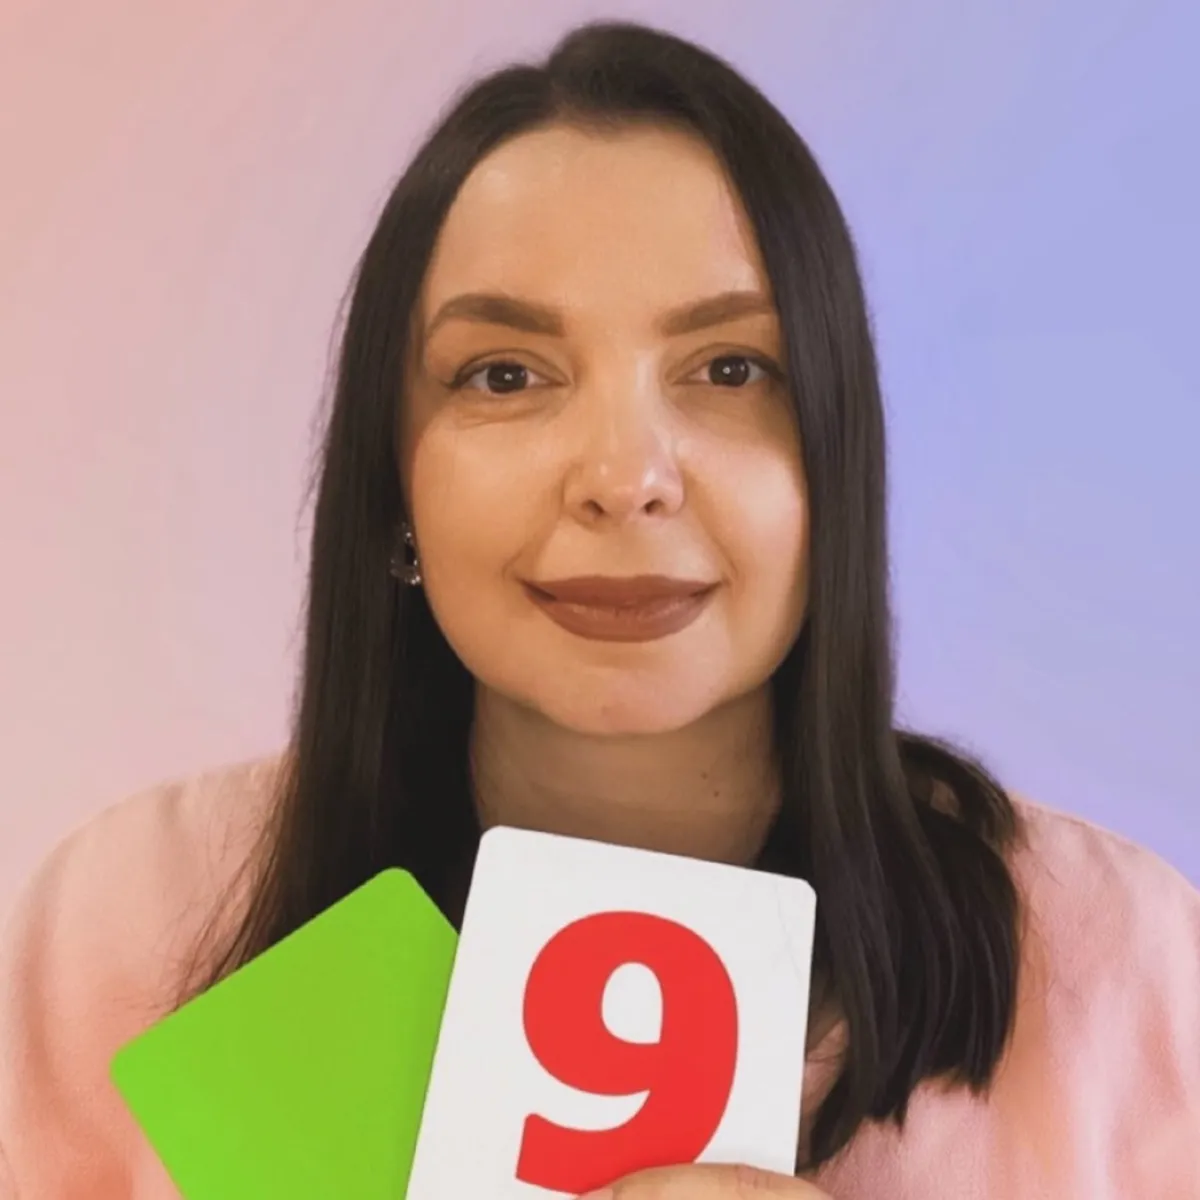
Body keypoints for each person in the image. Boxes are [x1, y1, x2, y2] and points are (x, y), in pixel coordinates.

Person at [1, 18, 1197, 1199]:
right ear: (393, 482)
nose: (625, 478)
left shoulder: (1126, 964)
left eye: (731, 369)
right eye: (505, 375)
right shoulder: (123, 924)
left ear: (838, 461)